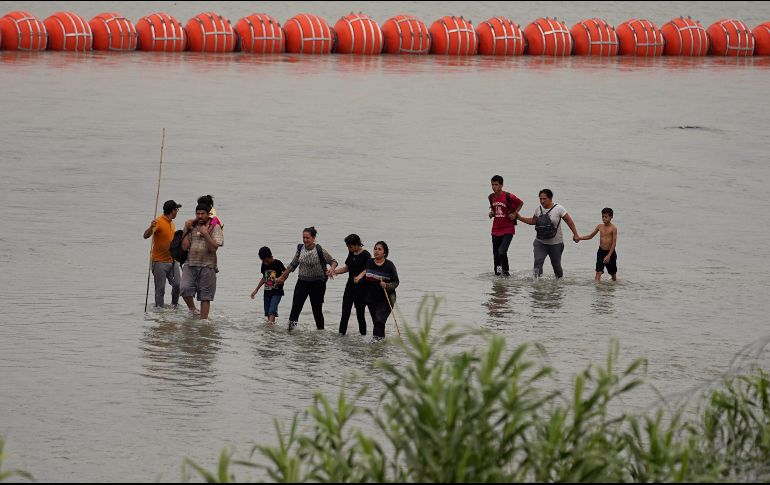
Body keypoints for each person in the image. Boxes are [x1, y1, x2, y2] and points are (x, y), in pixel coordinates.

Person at [276, 227, 338, 332]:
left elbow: (333, 261)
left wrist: (332, 269)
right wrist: (282, 277)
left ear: (313, 238)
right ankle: (290, 332)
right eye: (303, 237)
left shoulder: (319, 250)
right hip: (302, 283)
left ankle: (321, 333)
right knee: (295, 309)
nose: (305, 240)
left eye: (307, 238)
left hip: (317, 284)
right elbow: (292, 265)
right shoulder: (300, 249)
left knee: (317, 311)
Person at [517, 189, 580, 279]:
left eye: (544, 199)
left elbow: (569, 221)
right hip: (540, 242)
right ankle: (537, 284)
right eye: (540, 199)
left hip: (556, 243)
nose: (542, 201)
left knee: (556, 266)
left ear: (550, 198)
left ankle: (559, 284)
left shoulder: (559, 209)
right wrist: (520, 218)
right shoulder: (538, 210)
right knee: (538, 262)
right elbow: (533, 221)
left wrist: (575, 234)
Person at [180, 200, 224, 319]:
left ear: (208, 214)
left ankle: (203, 322)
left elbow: (213, 248)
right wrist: (186, 229)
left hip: (208, 266)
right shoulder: (193, 226)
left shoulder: (215, 227)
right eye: (197, 213)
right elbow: (184, 247)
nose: (199, 216)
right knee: (184, 288)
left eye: (202, 214)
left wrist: (206, 234)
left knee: (205, 296)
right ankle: (193, 310)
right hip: (190, 263)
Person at [354, 241, 399, 342]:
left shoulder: (389, 265)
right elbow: (367, 272)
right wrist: (359, 278)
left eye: (379, 249)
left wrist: (387, 285)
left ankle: (375, 343)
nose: (376, 251)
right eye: (375, 249)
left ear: (384, 253)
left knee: (379, 320)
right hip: (371, 298)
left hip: (386, 298)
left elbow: (396, 282)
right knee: (377, 322)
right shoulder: (370, 262)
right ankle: (380, 345)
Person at [143, 200, 182, 308]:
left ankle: (174, 306)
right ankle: (159, 312)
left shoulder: (172, 223)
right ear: (173, 211)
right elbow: (146, 235)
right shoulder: (159, 222)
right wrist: (151, 227)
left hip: (173, 261)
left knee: (178, 285)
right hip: (159, 262)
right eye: (176, 210)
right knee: (160, 289)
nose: (177, 212)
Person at [334, 234, 371, 336]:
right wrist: (334, 271)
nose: (349, 248)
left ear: (357, 244)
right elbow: (347, 268)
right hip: (350, 287)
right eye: (347, 246)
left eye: (350, 246)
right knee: (345, 313)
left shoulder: (366, 254)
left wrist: (360, 276)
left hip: (362, 289)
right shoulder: (351, 253)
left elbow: (369, 269)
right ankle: (341, 336)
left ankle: (363, 336)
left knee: (360, 315)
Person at [488, 175, 524, 276]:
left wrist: (515, 213)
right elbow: (495, 210)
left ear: (501, 185)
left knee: (502, 252)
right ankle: (498, 274)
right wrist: (492, 213)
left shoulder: (509, 196)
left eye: (496, 185)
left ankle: (506, 273)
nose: (494, 187)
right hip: (495, 229)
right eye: (492, 185)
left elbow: (521, 203)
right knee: (496, 255)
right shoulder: (491, 197)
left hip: (508, 229)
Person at [577, 208, 618, 281]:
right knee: (598, 272)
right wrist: (579, 238)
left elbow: (614, 243)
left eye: (606, 217)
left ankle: (613, 288)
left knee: (613, 273)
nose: (604, 218)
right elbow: (590, 236)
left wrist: (608, 256)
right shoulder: (600, 226)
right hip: (601, 252)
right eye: (602, 216)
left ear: (611, 217)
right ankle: (597, 290)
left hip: (610, 253)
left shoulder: (613, 228)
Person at [251, 246, 287, 324]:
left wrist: (282, 279)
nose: (265, 262)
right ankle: (271, 330)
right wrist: (256, 290)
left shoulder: (278, 263)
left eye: (266, 260)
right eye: (263, 261)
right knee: (268, 312)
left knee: (272, 311)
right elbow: (264, 278)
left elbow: (286, 273)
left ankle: (269, 328)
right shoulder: (263, 265)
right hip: (267, 292)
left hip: (277, 292)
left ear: (269, 256)